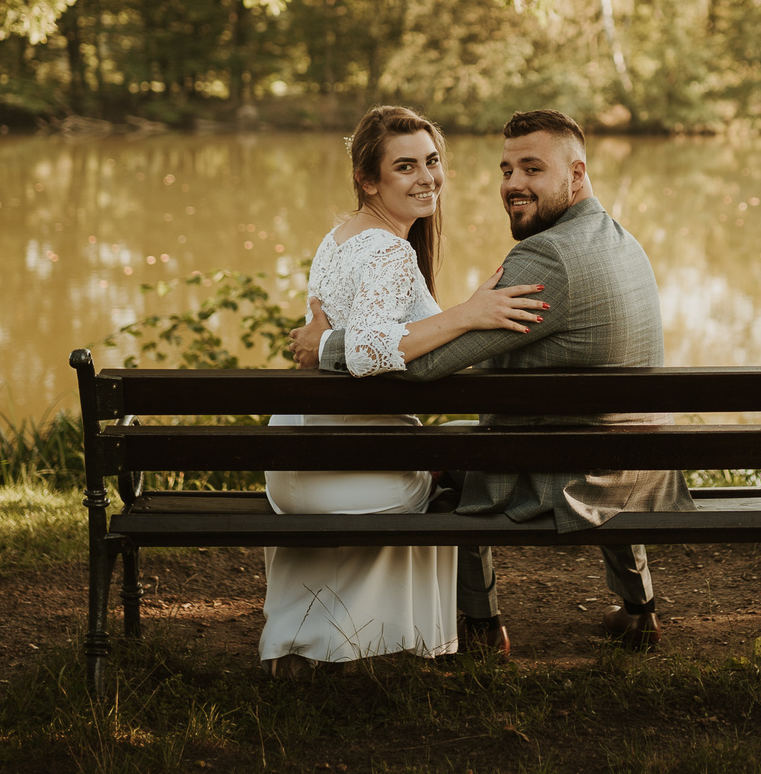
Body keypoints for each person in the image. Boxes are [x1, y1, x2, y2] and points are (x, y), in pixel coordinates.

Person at [292, 108, 692, 658]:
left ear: (576, 174)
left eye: (532, 169)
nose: (513, 184)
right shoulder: (623, 242)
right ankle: (639, 609)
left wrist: (327, 344)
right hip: (640, 465)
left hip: (572, 475)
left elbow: (425, 367)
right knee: (477, 436)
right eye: (507, 170)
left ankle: (483, 630)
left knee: (445, 471)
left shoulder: (546, 257)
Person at [260, 105, 548, 676]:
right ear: (368, 180)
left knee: (433, 459)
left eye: (432, 162)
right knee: (452, 482)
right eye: (406, 166)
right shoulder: (391, 251)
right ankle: (420, 635)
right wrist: (468, 313)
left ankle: (315, 638)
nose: (427, 178)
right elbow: (369, 349)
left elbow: (343, 337)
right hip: (350, 473)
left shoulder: (338, 238)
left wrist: (331, 342)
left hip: (292, 465)